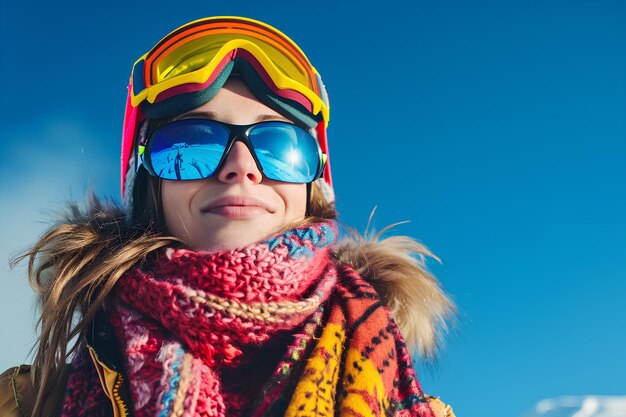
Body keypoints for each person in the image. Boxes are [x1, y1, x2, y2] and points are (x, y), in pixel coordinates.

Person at [0, 16, 456, 417]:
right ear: (147, 186)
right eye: (192, 142)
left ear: (312, 184)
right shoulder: (26, 403)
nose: (241, 165)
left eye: (279, 146)